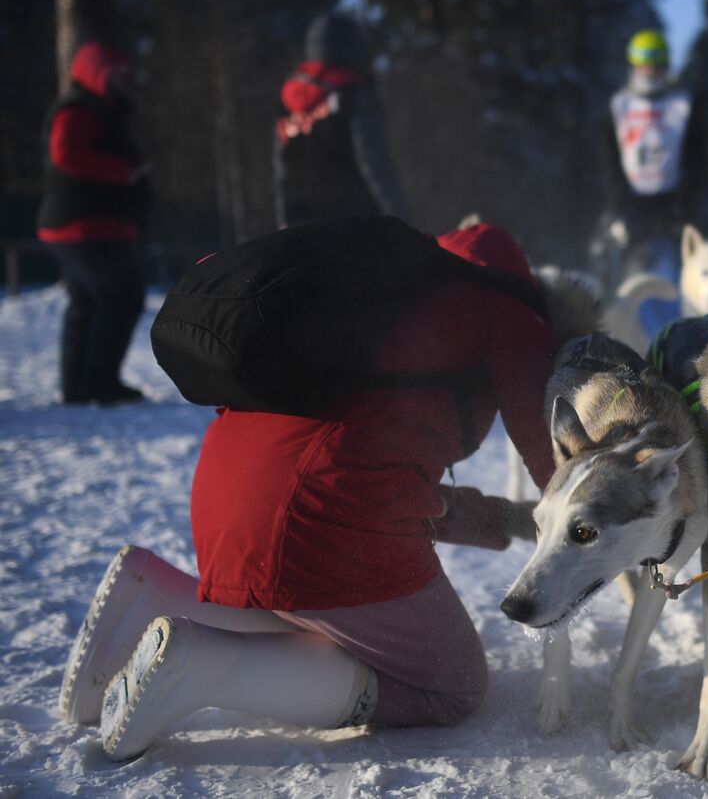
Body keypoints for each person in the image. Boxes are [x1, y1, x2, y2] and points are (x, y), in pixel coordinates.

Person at [61, 223, 555, 760]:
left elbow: (390, 480)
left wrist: (504, 521)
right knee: (453, 682)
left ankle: (154, 599)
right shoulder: (505, 309)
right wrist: (598, 528)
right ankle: (207, 669)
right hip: (319, 517)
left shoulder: (387, 290)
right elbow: (555, 457)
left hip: (226, 496)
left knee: (320, 611)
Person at [37, 41, 152, 406]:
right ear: (96, 72)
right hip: (88, 226)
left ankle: (78, 387)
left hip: (79, 226)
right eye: (116, 73)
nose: (124, 79)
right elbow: (66, 154)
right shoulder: (79, 109)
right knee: (122, 298)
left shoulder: (97, 109)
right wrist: (124, 172)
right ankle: (100, 384)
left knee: (86, 303)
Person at [274, 12, 409, 227]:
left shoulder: (290, 102)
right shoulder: (354, 94)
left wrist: (285, 228)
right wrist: (400, 220)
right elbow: (374, 161)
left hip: (303, 229)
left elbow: (283, 177)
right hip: (355, 225)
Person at [596, 29, 704, 295]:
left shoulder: (683, 104)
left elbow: (697, 156)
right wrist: (616, 203)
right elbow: (608, 156)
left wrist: (684, 202)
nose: (650, 71)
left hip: (673, 202)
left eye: (656, 64)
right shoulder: (619, 105)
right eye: (644, 64)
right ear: (633, 64)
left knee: (683, 267)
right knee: (606, 257)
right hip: (628, 200)